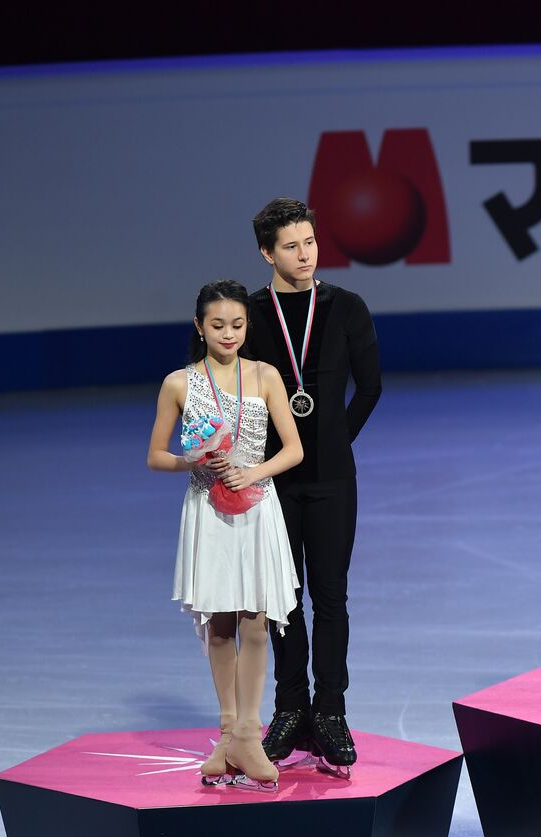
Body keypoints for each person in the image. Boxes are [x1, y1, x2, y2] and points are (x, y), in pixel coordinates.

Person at [244, 198, 381, 777]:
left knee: (329, 597)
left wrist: (335, 444)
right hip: (272, 484)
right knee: (282, 601)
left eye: (310, 242)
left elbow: (370, 387)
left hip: (331, 481)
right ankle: (288, 708)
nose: (304, 254)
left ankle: (330, 711)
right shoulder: (249, 313)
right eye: (291, 246)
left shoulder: (347, 307)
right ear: (267, 253)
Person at [147, 280, 303, 790]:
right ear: (199, 327)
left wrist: (253, 473)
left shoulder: (264, 375)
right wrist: (191, 460)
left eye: (237, 324)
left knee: (256, 622)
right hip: (207, 511)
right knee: (219, 624)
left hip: (256, 507)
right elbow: (156, 456)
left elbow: (293, 450)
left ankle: (249, 735)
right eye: (217, 325)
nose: (229, 333)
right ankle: (228, 730)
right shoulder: (178, 382)